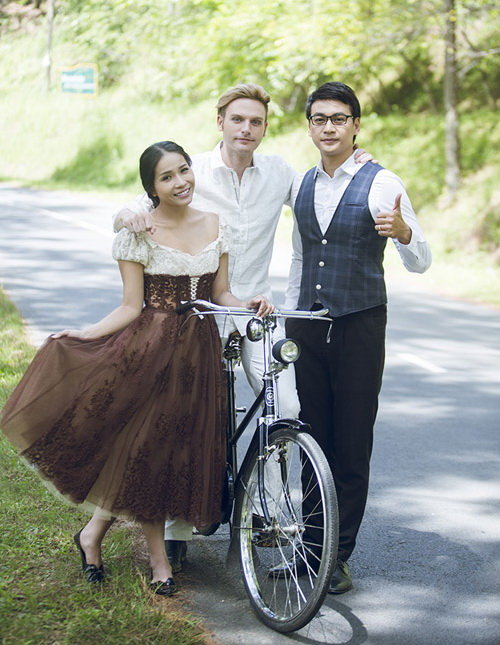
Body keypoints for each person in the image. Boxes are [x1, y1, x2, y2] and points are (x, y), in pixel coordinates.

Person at [113, 83, 374, 573]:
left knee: (286, 408)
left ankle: (259, 505)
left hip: (252, 310)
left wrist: (357, 165)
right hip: (196, 315)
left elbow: (324, 190)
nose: (246, 129)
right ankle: (177, 531)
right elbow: (142, 203)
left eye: (256, 122)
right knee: (185, 419)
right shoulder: (192, 170)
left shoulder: (279, 174)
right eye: (238, 120)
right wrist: (125, 213)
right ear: (221, 122)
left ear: (265, 127)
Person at [0, 140, 272, 596]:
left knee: (167, 451)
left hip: (199, 355)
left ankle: (92, 534)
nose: (180, 182)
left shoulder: (214, 224)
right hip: (149, 351)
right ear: (151, 187)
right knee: (148, 450)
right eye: (167, 177)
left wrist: (248, 304)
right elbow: (131, 306)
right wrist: (86, 335)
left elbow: (221, 294)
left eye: (184, 170)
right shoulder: (138, 233)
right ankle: (159, 560)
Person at [282, 82, 432, 594]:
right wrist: (291, 316)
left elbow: (421, 259)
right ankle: (310, 550)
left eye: (339, 119)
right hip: (308, 325)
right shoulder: (302, 183)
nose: (329, 127)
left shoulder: (382, 181)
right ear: (309, 126)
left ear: (355, 125)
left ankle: (336, 557)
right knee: (311, 440)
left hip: (359, 324)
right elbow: (301, 256)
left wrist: (404, 233)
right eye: (319, 118)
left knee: (350, 444)